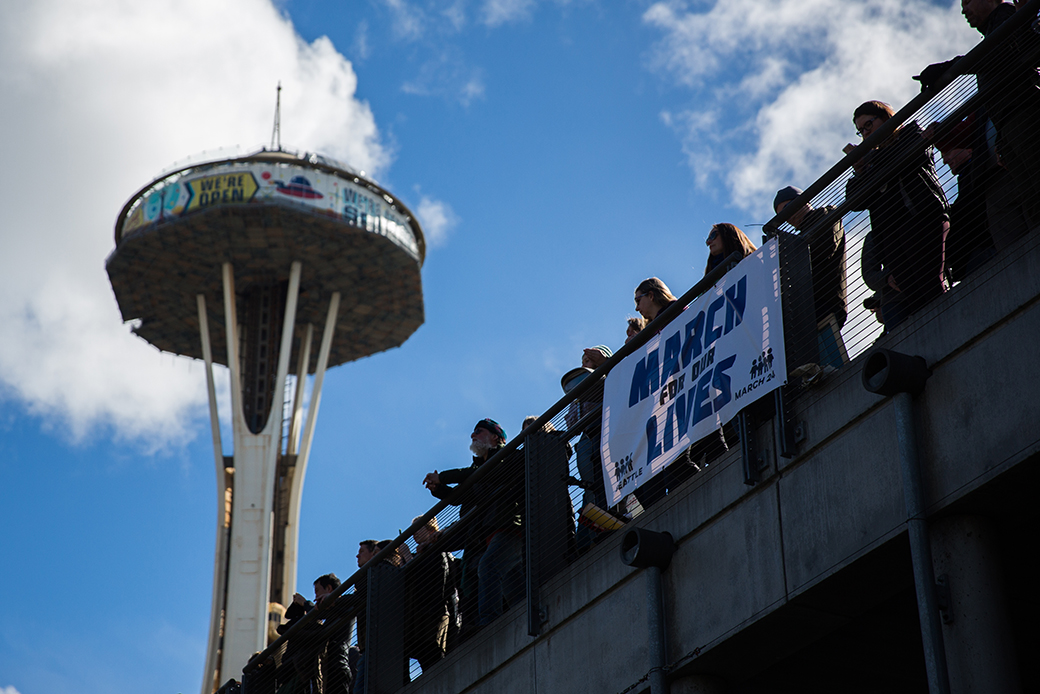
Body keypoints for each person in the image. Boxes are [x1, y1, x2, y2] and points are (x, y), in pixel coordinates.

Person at [915, 0, 1040, 231]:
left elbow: (999, 53)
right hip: (1010, 123)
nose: (964, 10)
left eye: (968, 1)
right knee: (1032, 203)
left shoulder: (1008, 17)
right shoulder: (997, 28)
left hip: (1023, 115)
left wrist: (950, 67)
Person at [845, 100, 950, 329]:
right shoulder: (871, 161)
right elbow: (854, 200)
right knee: (913, 294)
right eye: (860, 130)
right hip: (891, 233)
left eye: (868, 125)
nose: (865, 133)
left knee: (930, 284)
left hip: (922, 217)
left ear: (885, 118)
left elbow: (907, 159)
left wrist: (870, 162)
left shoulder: (910, 134)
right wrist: (861, 169)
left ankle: (950, 330)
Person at [630, 280, 728, 510]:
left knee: (710, 442)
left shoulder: (679, 312)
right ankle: (705, 496)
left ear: (651, 295)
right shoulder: (654, 330)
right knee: (677, 459)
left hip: (697, 386)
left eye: (638, 300)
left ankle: (725, 484)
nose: (637, 308)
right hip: (676, 397)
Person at [423, 419, 523, 628]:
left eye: (479, 431)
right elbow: (460, 497)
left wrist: (442, 477)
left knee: (489, 568)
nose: (472, 435)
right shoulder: (477, 470)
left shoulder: (506, 456)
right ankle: (524, 619)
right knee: (513, 587)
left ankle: (490, 627)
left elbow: (487, 473)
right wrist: (437, 488)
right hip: (489, 535)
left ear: (495, 437)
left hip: (510, 528)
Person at [773, 186, 848, 369]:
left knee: (835, 369)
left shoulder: (826, 214)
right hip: (808, 310)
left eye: (789, 207)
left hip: (825, 305)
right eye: (783, 214)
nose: (788, 216)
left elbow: (826, 247)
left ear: (804, 202)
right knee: (816, 371)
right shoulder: (796, 241)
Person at [404, 516, 455, 673]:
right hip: (422, 614)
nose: (414, 534)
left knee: (432, 652)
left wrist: (407, 557)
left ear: (430, 529)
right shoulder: (424, 554)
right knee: (423, 654)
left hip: (432, 612)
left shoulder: (438, 550)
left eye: (417, 529)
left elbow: (426, 577)